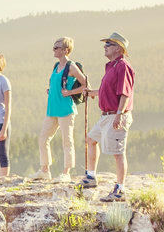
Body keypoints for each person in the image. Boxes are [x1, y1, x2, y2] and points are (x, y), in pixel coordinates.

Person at [89, 32, 135, 200]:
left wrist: (119, 114)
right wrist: (92, 93)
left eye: (108, 44)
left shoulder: (123, 66)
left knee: (118, 152)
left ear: (118, 48)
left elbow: (125, 93)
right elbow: (107, 91)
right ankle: (90, 176)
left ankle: (120, 189)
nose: (105, 47)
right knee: (90, 140)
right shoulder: (110, 66)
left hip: (116, 115)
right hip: (105, 115)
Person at [43, 37, 86, 180]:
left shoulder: (71, 66)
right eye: (54, 47)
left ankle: (66, 172)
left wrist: (70, 92)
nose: (54, 50)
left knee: (67, 141)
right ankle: (45, 170)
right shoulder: (56, 65)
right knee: (43, 138)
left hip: (66, 109)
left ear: (65, 50)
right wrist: (51, 90)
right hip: (53, 108)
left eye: (57, 47)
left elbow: (85, 84)